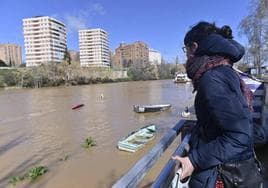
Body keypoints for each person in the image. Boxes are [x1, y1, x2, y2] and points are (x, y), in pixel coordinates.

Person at [172, 21, 263, 187]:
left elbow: (239, 137)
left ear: (194, 47)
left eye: (186, 50)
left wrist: (193, 160)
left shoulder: (212, 77)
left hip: (222, 176)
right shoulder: (224, 70)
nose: (186, 56)